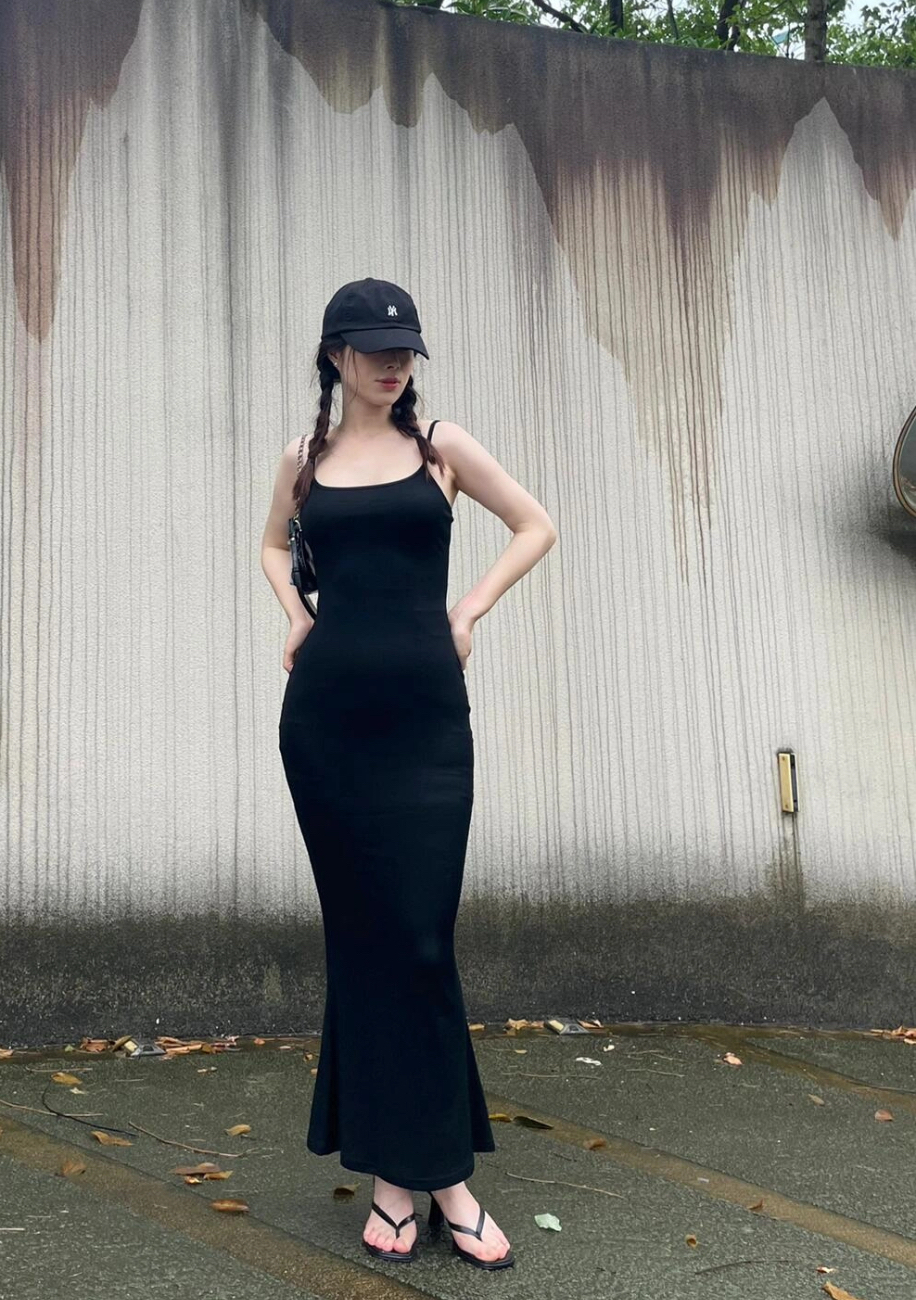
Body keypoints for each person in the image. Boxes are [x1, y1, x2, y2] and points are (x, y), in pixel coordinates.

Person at [260, 278, 558, 1270]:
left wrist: (468, 610)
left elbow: (536, 524)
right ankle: (404, 1180)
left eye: (405, 351)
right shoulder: (303, 461)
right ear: (334, 356)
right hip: (327, 729)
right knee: (366, 945)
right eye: (373, 349)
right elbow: (271, 546)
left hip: (427, 727)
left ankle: (439, 1176)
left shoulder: (442, 449)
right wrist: (297, 615)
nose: (393, 365)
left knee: (421, 944)